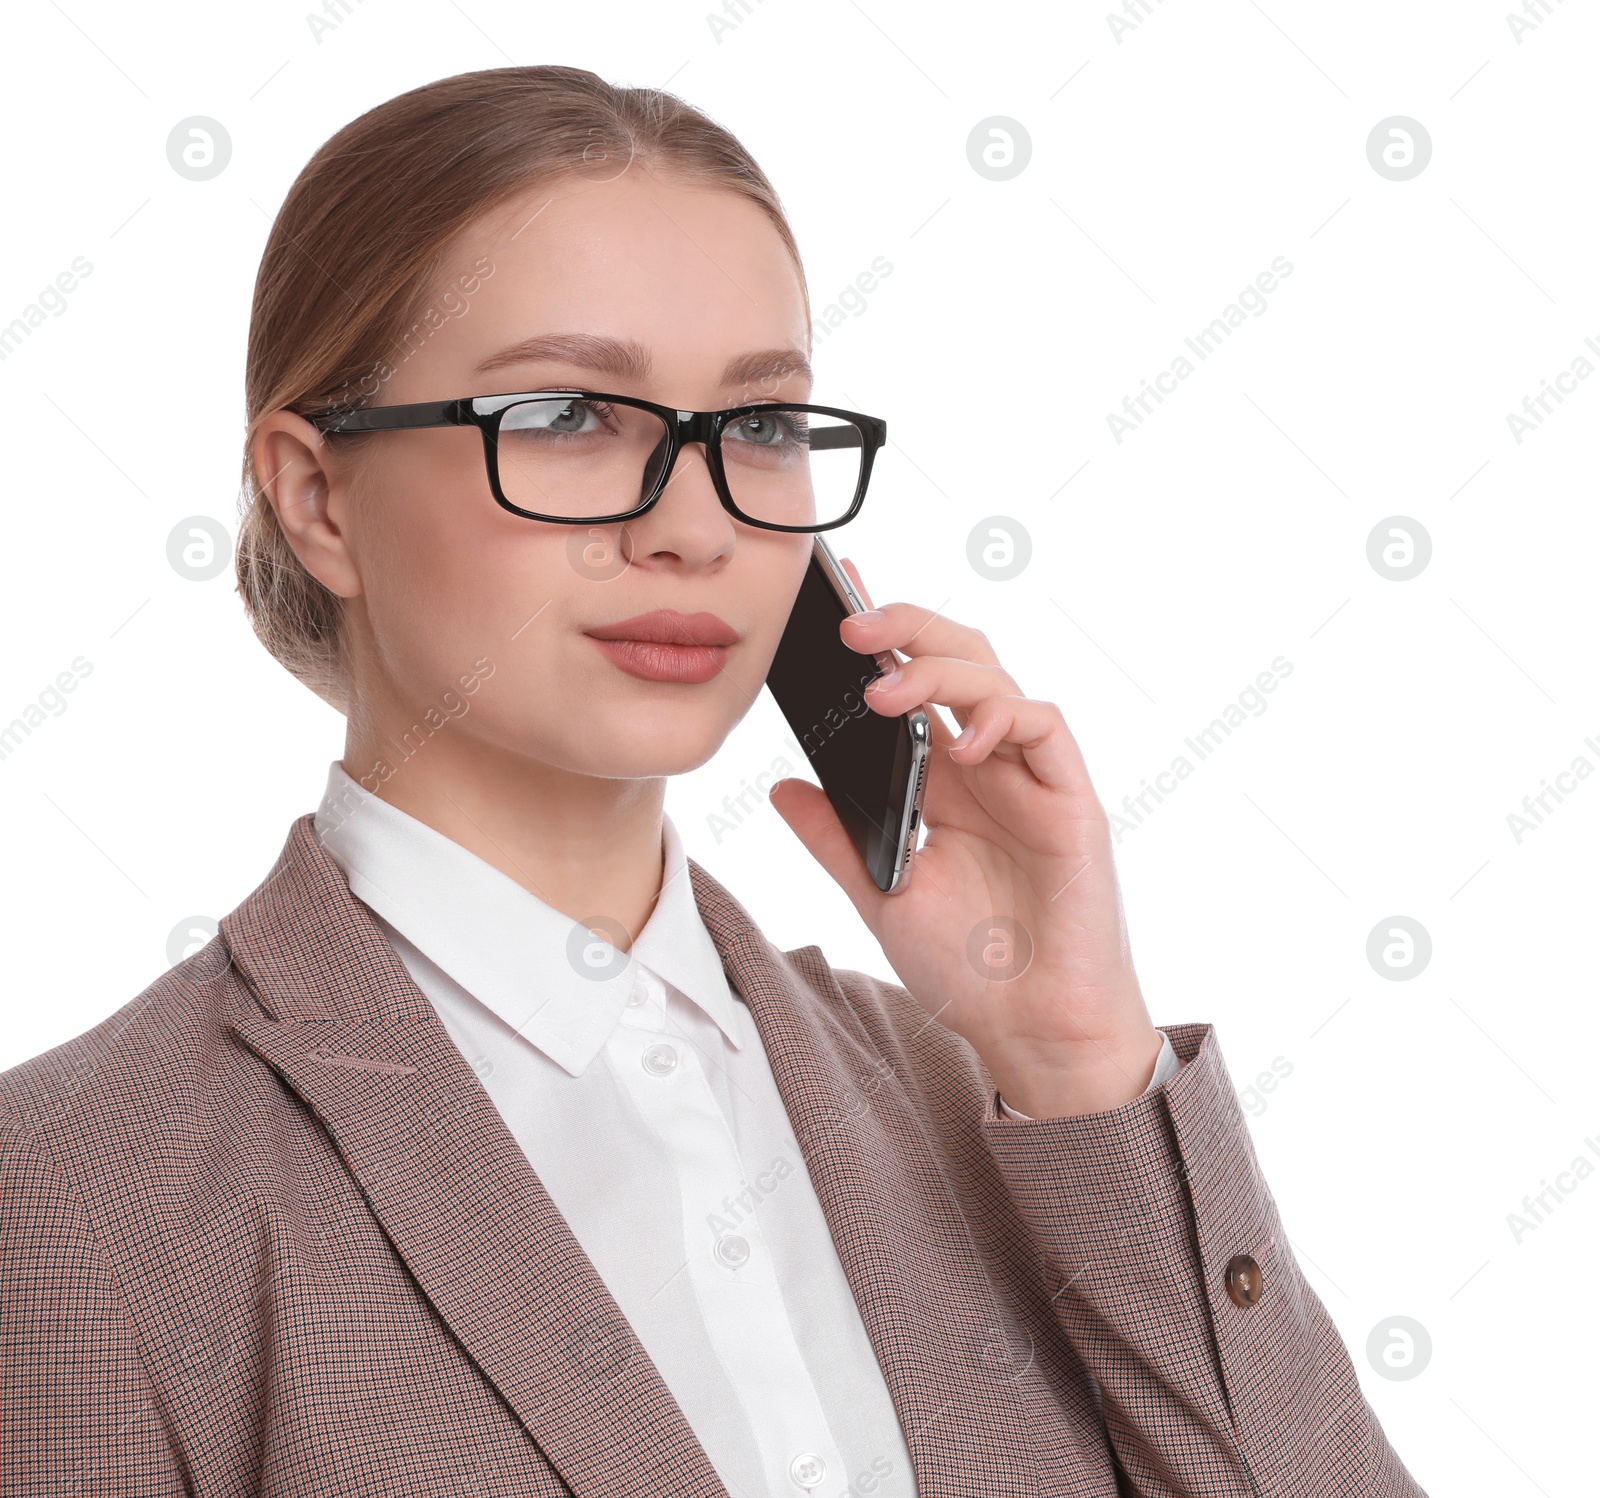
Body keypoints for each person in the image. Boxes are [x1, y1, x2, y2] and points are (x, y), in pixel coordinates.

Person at [0, 65, 1427, 1498]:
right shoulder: (76, 1196)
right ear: (319, 498)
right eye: (565, 415)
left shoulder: (994, 1105)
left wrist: (1077, 1055)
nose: (693, 522)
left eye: (756, 428)